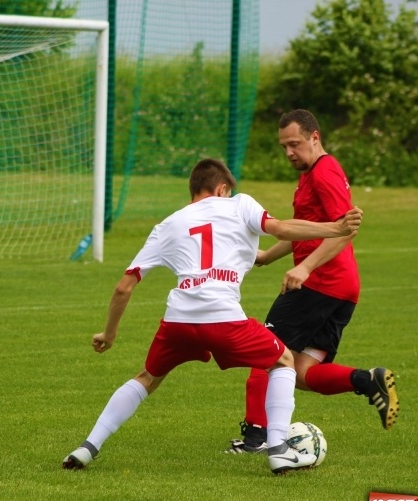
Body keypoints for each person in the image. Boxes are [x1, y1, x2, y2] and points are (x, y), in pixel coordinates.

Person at [62, 158, 363, 474]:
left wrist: (108, 335)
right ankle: (278, 450)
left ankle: (87, 447)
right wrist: (337, 228)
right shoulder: (239, 204)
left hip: (178, 321)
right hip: (224, 319)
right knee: (284, 360)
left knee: (146, 378)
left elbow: (124, 287)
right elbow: (282, 228)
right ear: (222, 188)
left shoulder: (169, 224)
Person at [226, 109, 399, 455]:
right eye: (283, 146)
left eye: (295, 144)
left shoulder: (325, 173)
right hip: (341, 288)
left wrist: (304, 269)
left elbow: (344, 230)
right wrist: (265, 257)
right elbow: (307, 229)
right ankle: (368, 381)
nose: (289, 152)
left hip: (321, 283)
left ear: (314, 137)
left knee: (266, 353)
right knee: (302, 372)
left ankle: (256, 438)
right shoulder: (310, 176)